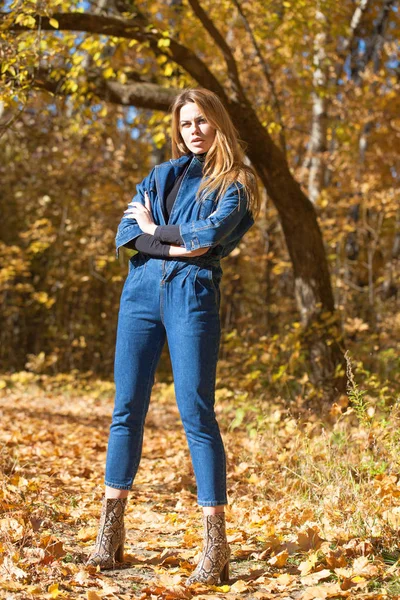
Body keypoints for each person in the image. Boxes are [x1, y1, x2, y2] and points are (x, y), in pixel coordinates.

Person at [86, 87, 260, 585]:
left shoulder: (236, 181)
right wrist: (171, 240)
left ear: (218, 123)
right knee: (126, 409)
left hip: (192, 294)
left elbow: (211, 234)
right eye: (186, 124)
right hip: (139, 294)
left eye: (203, 121)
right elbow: (127, 236)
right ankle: (110, 535)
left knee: (196, 411)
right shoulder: (160, 174)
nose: (194, 131)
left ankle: (216, 545)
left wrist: (157, 232)